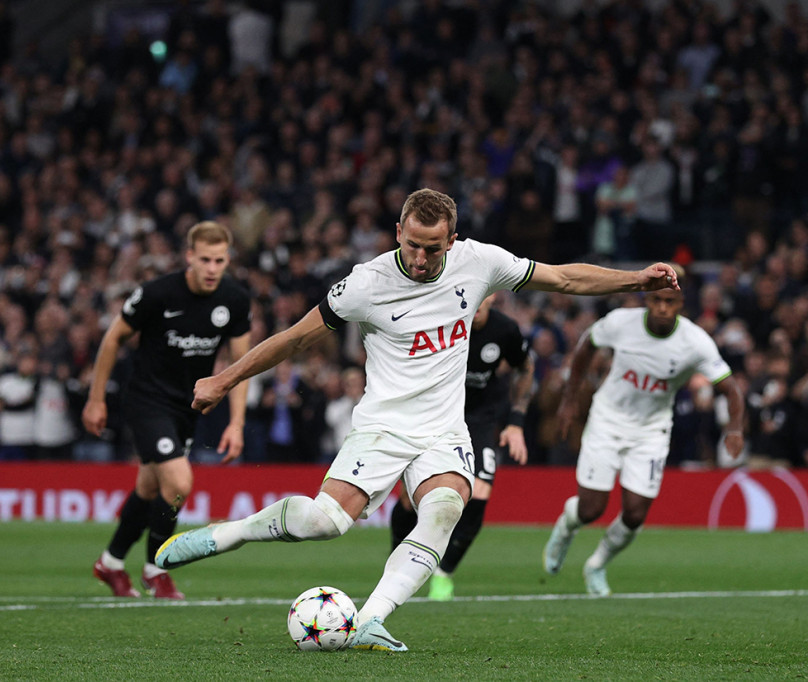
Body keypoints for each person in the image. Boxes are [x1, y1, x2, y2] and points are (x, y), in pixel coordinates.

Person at [154, 188, 678, 651]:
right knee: (325, 523)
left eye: (434, 247)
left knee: (447, 507)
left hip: (445, 430)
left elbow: (562, 278)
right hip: (382, 426)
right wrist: (224, 380)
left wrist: (636, 280)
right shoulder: (366, 284)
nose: (423, 258)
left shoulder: (480, 262)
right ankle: (234, 533)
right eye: (413, 245)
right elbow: (293, 338)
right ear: (398, 232)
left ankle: (373, 620)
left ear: (452, 240)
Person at [543, 270, 744, 597]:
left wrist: (734, 429)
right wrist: (568, 400)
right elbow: (586, 347)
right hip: (608, 419)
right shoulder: (621, 322)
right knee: (591, 509)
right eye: (657, 300)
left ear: (681, 304)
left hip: (651, 431)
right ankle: (566, 527)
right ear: (646, 300)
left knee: (635, 514)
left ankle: (597, 565)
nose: (663, 307)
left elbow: (731, 389)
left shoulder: (695, 343)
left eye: (670, 301)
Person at [84, 221, 251, 599]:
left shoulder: (235, 300)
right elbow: (113, 340)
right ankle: (156, 568)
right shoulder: (157, 294)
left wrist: (236, 423)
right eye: (205, 259)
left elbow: (241, 366)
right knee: (178, 484)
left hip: (188, 407)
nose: (212, 268)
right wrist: (95, 399)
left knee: (148, 487)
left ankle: (110, 563)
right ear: (189, 257)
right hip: (146, 400)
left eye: (219, 260)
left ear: (227, 260)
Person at [389, 292, 535, 601]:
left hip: (479, 421)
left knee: (480, 493)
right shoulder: (440, 321)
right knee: (408, 499)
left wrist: (516, 421)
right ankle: (397, 568)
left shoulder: (505, 330)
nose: (476, 300)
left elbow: (525, 367)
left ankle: (444, 573)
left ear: (493, 294)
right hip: (433, 416)